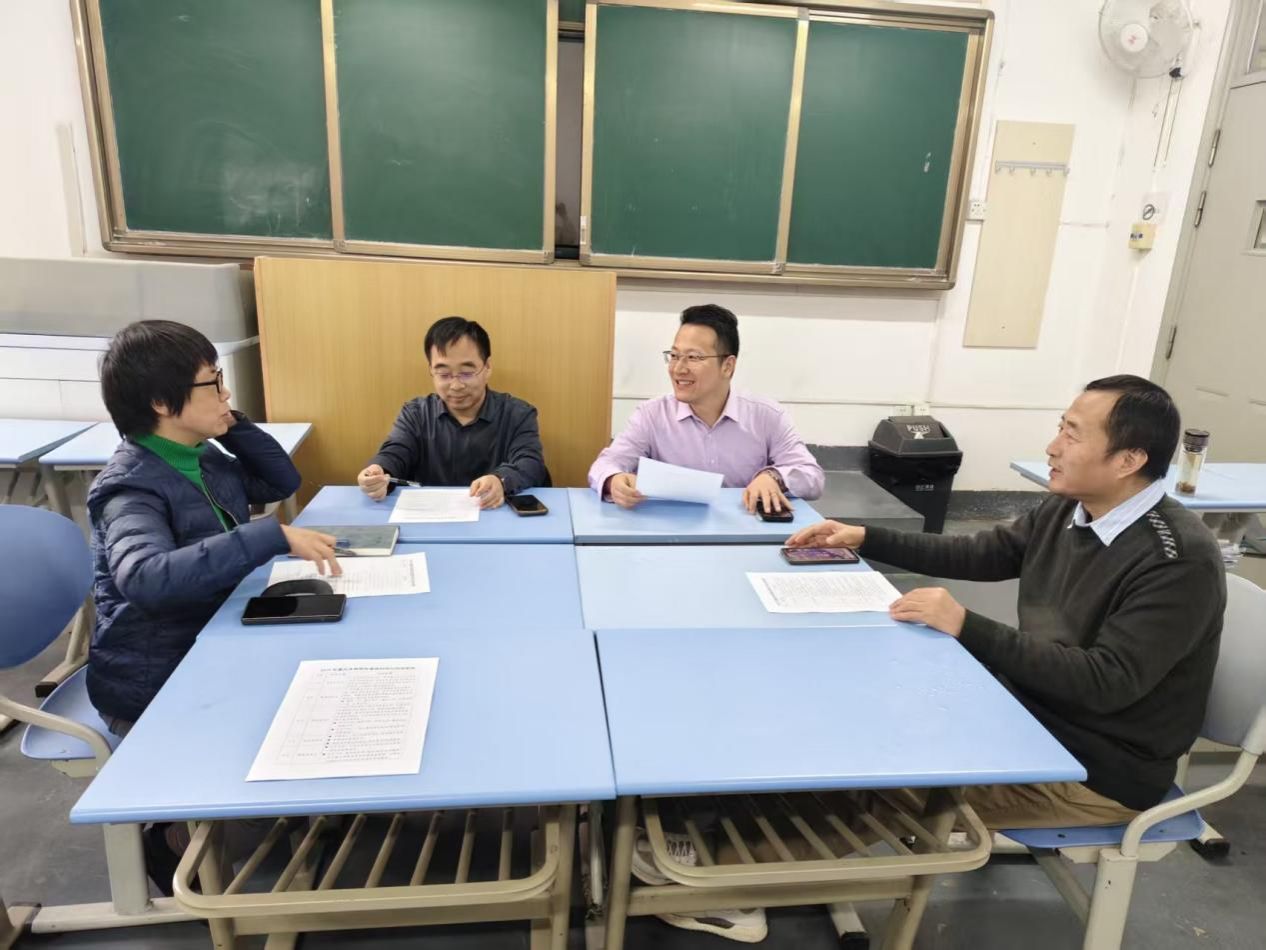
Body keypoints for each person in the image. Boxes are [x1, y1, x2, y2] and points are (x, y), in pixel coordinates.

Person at [786, 374, 1224, 830]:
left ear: (1128, 461)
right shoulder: (1071, 507)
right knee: (861, 723)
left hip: (1093, 769)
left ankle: (758, 863)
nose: (1053, 448)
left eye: (1073, 435)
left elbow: (1103, 681)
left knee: (873, 787)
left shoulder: (1178, 561)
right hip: (1023, 715)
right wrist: (865, 537)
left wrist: (965, 624)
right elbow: (983, 553)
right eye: (1060, 428)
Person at [87, 320, 340, 894]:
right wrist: (267, 536)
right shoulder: (129, 487)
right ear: (162, 402)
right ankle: (172, 838)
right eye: (213, 383)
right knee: (309, 716)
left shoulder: (201, 456)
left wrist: (231, 421)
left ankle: (270, 805)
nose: (226, 393)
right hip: (157, 678)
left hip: (213, 643)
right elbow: (145, 577)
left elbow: (281, 478)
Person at [587, 304, 823, 513]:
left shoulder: (767, 416)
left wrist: (773, 477)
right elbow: (605, 465)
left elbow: (811, 475)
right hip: (671, 533)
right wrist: (614, 480)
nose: (678, 369)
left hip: (743, 532)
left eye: (693, 357)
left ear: (727, 366)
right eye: (674, 355)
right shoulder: (651, 415)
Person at [357, 316, 548, 509]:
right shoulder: (416, 414)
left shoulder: (517, 414)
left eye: (466, 373)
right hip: (430, 516)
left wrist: (500, 480)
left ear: (487, 368)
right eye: (444, 374)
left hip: (493, 513)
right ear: (431, 371)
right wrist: (378, 471)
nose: (456, 385)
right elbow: (396, 452)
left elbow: (530, 462)